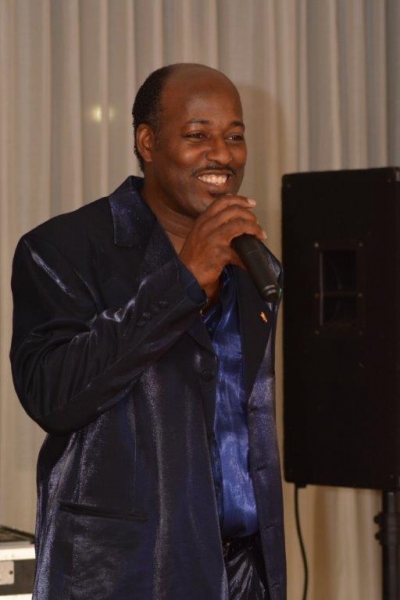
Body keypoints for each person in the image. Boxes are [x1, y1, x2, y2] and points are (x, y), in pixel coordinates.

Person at [10, 63, 286, 600]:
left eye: (234, 136)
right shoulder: (63, 249)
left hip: (243, 571)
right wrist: (182, 280)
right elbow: (53, 396)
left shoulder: (252, 264)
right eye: (198, 135)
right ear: (148, 142)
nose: (223, 154)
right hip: (127, 574)